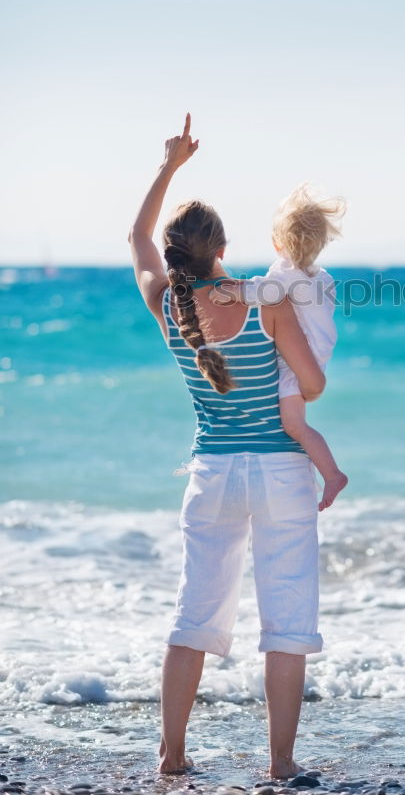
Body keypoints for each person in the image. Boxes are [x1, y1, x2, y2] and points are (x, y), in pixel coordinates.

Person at [128, 114, 327, 780]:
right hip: (277, 470)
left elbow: (135, 239)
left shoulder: (164, 304)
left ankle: (173, 753)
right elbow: (311, 385)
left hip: (211, 471)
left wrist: (168, 166)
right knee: (286, 616)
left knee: (194, 615)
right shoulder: (263, 299)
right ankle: (279, 763)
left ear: (176, 253)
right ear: (223, 247)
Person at [209, 183, 348, 511]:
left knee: (293, 424)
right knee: (295, 418)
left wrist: (231, 291)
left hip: (299, 364)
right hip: (317, 354)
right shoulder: (321, 277)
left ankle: (332, 473)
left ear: (277, 243)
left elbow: (263, 291)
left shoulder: (286, 277)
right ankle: (318, 469)